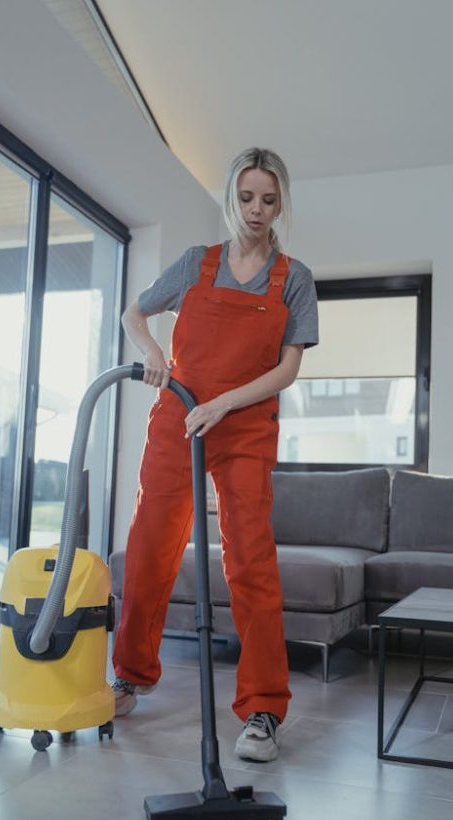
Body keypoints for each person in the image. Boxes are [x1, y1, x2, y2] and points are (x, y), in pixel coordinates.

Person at [112, 147, 319, 762]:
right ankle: (127, 677)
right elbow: (134, 311)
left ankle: (261, 710)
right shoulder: (196, 264)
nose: (257, 210)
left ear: (282, 203)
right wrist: (152, 350)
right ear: (232, 198)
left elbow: (286, 370)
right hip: (179, 417)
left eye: (270, 199)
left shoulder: (293, 278)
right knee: (151, 545)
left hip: (246, 425)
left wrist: (225, 403)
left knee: (251, 561)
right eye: (248, 197)